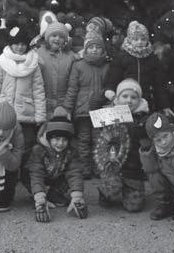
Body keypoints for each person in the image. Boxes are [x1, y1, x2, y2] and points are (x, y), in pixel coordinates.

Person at [0, 24, 45, 191]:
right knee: (5, 151)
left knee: (25, 150)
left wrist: (40, 116)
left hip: (26, 115)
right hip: (4, 115)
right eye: (16, 43)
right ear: (11, 44)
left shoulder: (33, 63)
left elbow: (39, 91)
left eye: (23, 44)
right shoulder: (2, 62)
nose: (20, 47)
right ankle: (6, 184)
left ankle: (29, 184)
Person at [94, 78, 149, 212]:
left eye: (133, 97)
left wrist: (129, 120)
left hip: (134, 168)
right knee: (111, 192)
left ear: (140, 100)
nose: (129, 100)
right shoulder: (109, 113)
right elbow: (93, 106)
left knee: (134, 207)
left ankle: (129, 191)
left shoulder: (145, 117)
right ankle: (105, 192)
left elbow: (145, 133)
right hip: (113, 165)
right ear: (118, 98)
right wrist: (106, 95)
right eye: (124, 96)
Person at [27, 107, 87, 223]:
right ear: (49, 138)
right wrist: (39, 196)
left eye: (65, 140)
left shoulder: (71, 152)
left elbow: (74, 173)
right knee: (29, 174)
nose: (60, 143)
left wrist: (77, 195)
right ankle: (38, 198)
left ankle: (54, 195)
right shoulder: (39, 150)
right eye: (56, 139)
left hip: (57, 175)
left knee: (69, 176)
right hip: (42, 177)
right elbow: (36, 174)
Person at [63, 29, 109, 178]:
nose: (94, 50)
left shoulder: (107, 66)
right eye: (91, 47)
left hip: (101, 111)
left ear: (102, 49)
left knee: (98, 139)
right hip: (83, 110)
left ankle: (98, 166)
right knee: (83, 139)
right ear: (86, 48)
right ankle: (85, 167)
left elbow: (110, 87)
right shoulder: (79, 65)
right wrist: (68, 108)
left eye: (97, 47)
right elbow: (72, 88)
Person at [104, 21, 173, 116]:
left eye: (143, 39)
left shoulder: (152, 59)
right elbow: (112, 78)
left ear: (147, 40)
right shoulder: (121, 57)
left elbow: (159, 84)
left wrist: (164, 105)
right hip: (124, 101)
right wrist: (111, 93)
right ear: (129, 40)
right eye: (136, 39)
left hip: (145, 102)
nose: (140, 42)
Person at [36, 21, 76, 119]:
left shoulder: (70, 56)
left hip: (63, 104)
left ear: (65, 40)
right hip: (43, 103)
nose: (57, 39)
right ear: (47, 37)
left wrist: (67, 106)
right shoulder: (38, 54)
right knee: (43, 132)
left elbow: (73, 83)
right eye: (54, 35)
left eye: (61, 37)